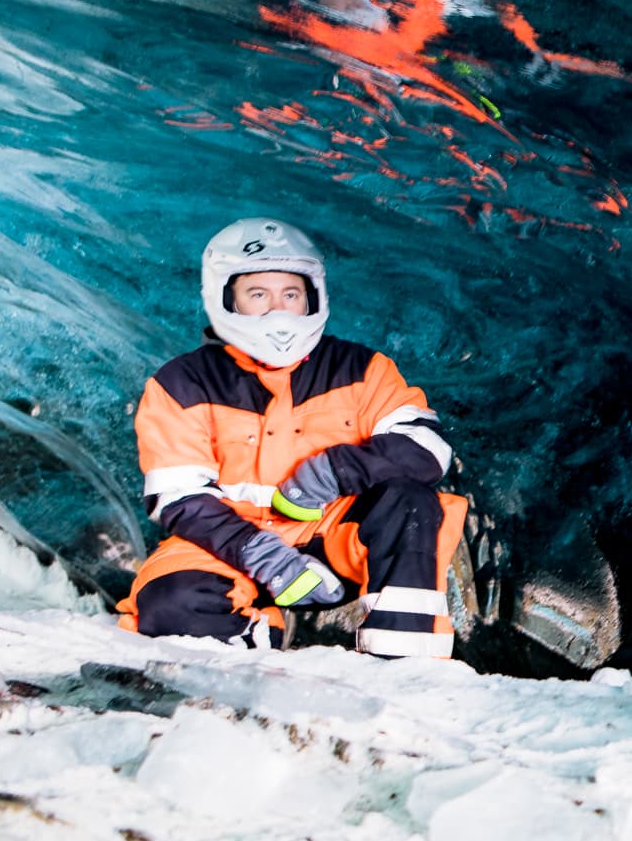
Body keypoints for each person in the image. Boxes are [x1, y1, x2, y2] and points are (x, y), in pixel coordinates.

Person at [117, 218, 463, 658]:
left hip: (333, 542)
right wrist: (260, 552)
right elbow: (180, 498)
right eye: (258, 294)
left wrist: (334, 472)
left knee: (410, 500)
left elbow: (428, 449)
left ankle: (404, 662)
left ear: (312, 299)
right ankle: (265, 638)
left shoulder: (364, 368)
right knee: (167, 606)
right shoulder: (180, 384)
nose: (277, 310)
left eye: (291, 295)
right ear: (226, 298)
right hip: (226, 546)